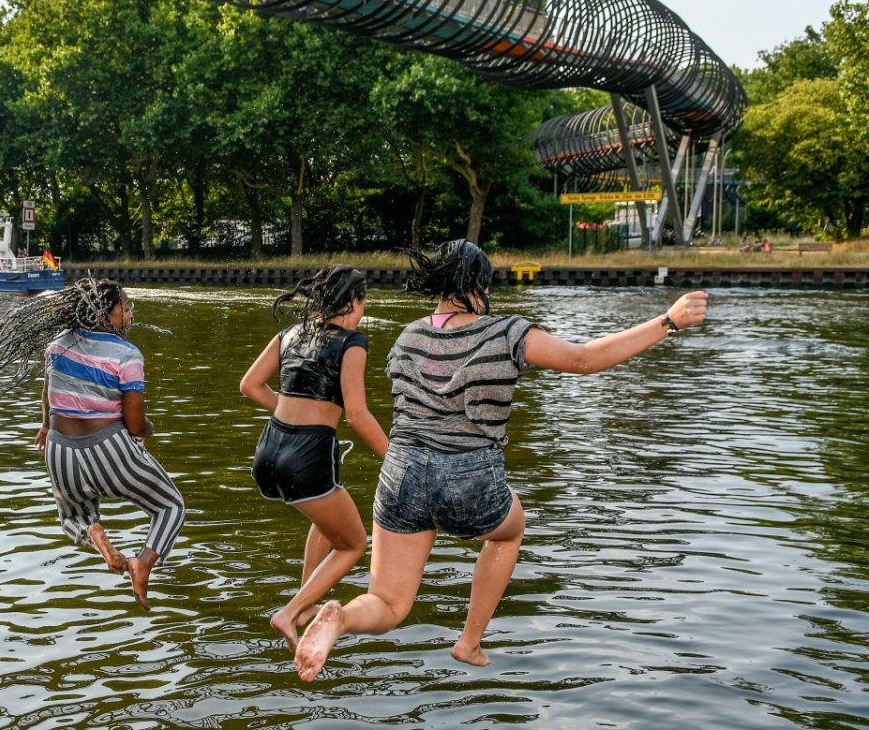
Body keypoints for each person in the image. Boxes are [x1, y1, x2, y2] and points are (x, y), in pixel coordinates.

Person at [294, 240, 709, 681]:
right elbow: (584, 360)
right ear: (478, 283)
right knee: (510, 531)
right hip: (468, 476)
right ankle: (470, 642)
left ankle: (340, 617)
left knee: (390, 603)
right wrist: (669, 321)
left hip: (401, 474)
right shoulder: (507, 331)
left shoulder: (408, 335)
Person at [0, 276, 185, 610]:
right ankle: (143, 564)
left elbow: (47, 396)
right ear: (105, 314)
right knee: (171, 507)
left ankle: (97, 535)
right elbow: (135, 425)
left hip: (58, 450)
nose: (131, 314)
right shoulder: (127, 354)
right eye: (126, 308)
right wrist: (149, 429)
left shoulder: (56, 345)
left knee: (73, 517)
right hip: (109, 450)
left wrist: (45, 426)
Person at [240, 265, 389, 650]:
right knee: (353, 544)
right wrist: (395, 457)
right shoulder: (352, 342)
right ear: (354, 301)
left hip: (268, 451)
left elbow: (250, 385)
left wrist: (289, 411)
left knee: (325, 519)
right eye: (363, 302)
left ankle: (304, 606)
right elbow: (356, 414)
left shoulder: (289, 334)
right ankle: (290, 613)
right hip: (307, 456)